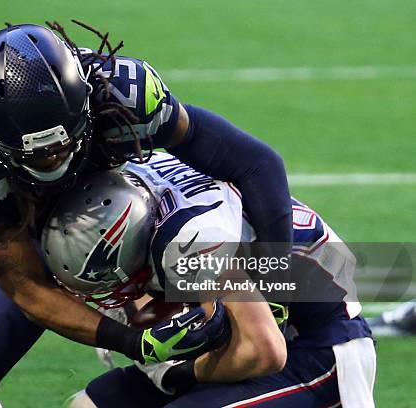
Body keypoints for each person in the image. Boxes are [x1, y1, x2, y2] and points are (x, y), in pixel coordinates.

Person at [0, 17, 293, 408]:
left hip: (84, 228)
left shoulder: (124, 96)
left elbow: (255, 163)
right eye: (38, 155)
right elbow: (25, 288)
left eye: (65, 141)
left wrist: (276, 278)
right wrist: (133, 342)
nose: (56, 157)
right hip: (1, 224)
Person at [41, 152, 376, 407]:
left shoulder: (193, 241)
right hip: (247, 323)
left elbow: (265, 352)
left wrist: (184, 372)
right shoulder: (134, 183)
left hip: (316, 347)